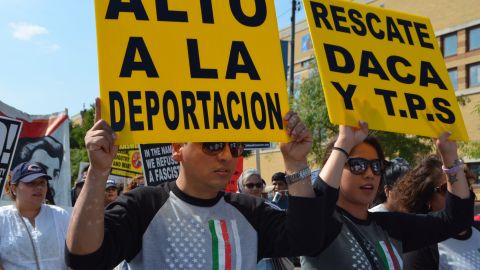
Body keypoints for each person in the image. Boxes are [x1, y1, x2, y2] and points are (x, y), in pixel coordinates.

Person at [65, 99, 325, 269]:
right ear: (177, 148)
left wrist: (296, 163)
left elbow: (307, 240)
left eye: (234, 146)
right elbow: (83, 259)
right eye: (212, 144)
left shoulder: (250, 211)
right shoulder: (143, 206)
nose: (226, 155)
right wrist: (98, 171)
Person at [301, 122, 474, 269]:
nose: (370, 173)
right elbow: (312, 209)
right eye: (358, 164)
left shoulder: (388, 227)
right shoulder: (318, 227)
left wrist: (450, 157)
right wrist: (344, 143)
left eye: (377, 166)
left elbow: (456, 220)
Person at [390, 158, 480, 269]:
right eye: (446, 189)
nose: (459, 191)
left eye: (463, 183)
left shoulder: (478, 229)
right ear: (427, 199)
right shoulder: (420, 247)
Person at [0, 161, 70, 269]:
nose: (39, 187)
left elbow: (78, 255)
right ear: (14, 188)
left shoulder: (60, 215)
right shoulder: (2, 218)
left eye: (42, 183)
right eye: (31, 183)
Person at [12, 136, 65, 205]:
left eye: (55, 173)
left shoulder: (61, 214)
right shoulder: (3, 215)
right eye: (41, 169)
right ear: (14, 188)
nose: (49, 181)